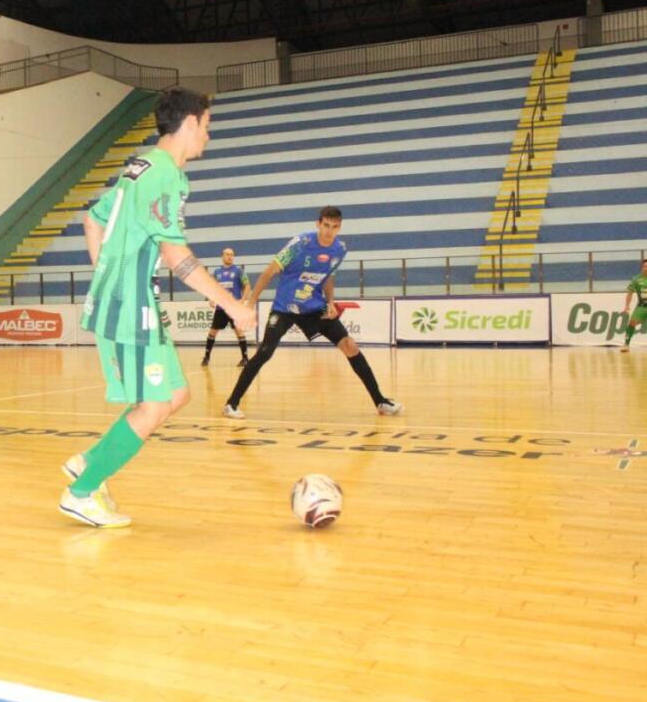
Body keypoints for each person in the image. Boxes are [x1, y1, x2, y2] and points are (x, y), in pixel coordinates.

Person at [60, 87, 254, 528]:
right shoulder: (164, 173)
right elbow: (175, 256)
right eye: (207, 125)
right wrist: (231, 305)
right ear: (190, 122)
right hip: (129, 303)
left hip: (133, 297)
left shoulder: (141, 165)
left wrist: (105, 273)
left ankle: (88, 461)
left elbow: (92, 220)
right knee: (152, 407)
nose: (208, 135)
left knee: (176, 395)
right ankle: (81, 492)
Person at [222, 206, 402, 419]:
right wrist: (251, 303)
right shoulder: (300, 244)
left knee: (349, 345)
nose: (329, 231)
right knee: (265, 353)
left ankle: (380, 402)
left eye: (334, 227)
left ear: (339, 227)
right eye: (326, 225)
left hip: (314, 307)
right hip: (285, 307)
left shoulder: (340, 249)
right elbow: (269, 272)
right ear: (318, 224)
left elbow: (328, 277)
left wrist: (331, 302)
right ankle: (231, 404)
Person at [201, 247, 251, 367]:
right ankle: (206, 357)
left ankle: (245, 358)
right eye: (227, 254)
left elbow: (247, 285)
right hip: (221, 308)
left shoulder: (239, 271)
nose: (230, 256)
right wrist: (212, 299)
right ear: (222, 256)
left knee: (239, 331)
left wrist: (243, 299)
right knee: (212, 332)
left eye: (232, 254)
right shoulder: (217, 272)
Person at [621, 258, 647, 352]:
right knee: (632, 323)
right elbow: (630, 293)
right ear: (642, 267)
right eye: (645, 266)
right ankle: (626, 344)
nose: (646, 268)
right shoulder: (636, 279)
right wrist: (627, 306)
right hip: (642, 306)